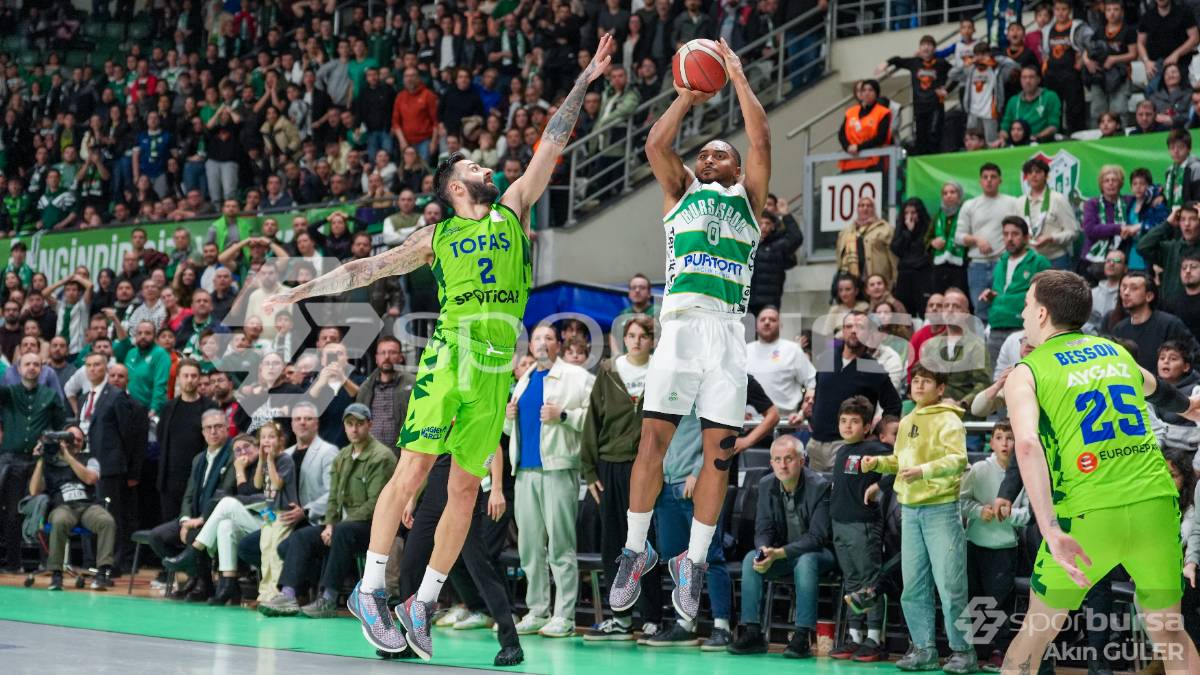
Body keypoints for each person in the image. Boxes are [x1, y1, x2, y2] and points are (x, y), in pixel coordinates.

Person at [263, 37, 619, 658]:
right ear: (455, 187)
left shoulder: (513, 208)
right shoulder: (437, 235)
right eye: (474, 168)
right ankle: (369, 590)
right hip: (451, 354)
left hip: (496, 366)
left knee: (465, 491)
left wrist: (585, 79)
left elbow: (552, 143)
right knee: (414, 470)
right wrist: (301, 293)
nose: (487, 169)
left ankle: (421, 602)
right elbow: (364, 269)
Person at [605, 38, 770, 632]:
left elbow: (761, 139)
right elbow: (655, 143)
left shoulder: (749, 201)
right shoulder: (681, 193)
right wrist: (685, 96)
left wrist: (738, 76)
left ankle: (693, 561)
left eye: (720, 154)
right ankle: (635, 550)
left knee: (718, 456)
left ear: (736, 169)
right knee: (652, 442)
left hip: (726, 332)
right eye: (703, 154)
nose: (709, 159)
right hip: (678, 327)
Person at [998, 269, 1200, 673]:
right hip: (1154, 504)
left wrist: (1049, 528)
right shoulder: (1114, 352)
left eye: (1026, 305)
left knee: (1037, 631)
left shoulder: (1028, 371)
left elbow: (1027, 444)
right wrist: (1191, 409)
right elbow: (1158, 391)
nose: (1022, 313)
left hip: (1088, 513)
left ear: (1042, 314)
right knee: (1169, 632)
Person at [861, 364, 974, 673]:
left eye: (927, 381)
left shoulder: (949, 419)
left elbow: (958, 459)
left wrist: (923, 471)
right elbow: (901, 462)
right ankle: (924, 649)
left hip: (941, 509)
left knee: (951, 586)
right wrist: (878, 463)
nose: (919, 385)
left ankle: (964, 651)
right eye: (916, 381)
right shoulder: (908, 420)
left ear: (941, 388)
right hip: (909, 510)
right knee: (912, 586)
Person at [503, 323, 593, 638]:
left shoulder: (577, 377)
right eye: (537, 338)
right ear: (530, 346)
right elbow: (512, 430)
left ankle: (564, 615)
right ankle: (537, 610)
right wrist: (508, 418)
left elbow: (595, 420)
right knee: (529, 547)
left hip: (558, 469)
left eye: (549, 338)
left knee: (560, 545)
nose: (542, 343)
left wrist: (563, 415)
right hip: (524, 471)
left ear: (558, 345)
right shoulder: (524, 379)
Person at [580, 316, 664, 641]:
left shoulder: (660, 371)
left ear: (652, 340)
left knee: (645, 542)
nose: (637, 341)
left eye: (643, 335)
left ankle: (652, 618)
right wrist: (589, 470)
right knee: (613, 542)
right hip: (609, 466)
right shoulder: (608, 370)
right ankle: (621, 618)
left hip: (645, 466)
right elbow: (592, 419)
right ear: (624, 339)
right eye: (631, 335)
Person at [727, 435, 833, 658]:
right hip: (781, 554)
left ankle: (802, 636)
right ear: (771, 463)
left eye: (789, 459)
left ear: (802, 460)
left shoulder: (820, 487)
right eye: (777, 459)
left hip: (820, 555)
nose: (783, 465)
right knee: (751, 559)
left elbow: (818, 537)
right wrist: (764, 551)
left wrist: (780, 553)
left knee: (806, 561)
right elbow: (763, 529)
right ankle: (753, 633)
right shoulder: (766, 484)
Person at [959, 420, 1029, 670]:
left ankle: (1000, 650)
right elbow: (961, 503)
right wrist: (979, 511)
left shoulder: (1024, 473)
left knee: (999, 602)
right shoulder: (979, 470)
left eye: (1010, 438)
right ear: (991, 442)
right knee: (975, 599)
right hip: (975, 544)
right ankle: (978, 650)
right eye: (999, 438)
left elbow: (1028, 515)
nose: (1005, 443)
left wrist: (1008, 515)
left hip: (1004, 548)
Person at [825, 396, 890, 662]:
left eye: (854, 421)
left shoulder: (875, 448)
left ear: (867, 426)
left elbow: (900, 466)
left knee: (869, 581)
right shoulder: (842, 450)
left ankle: (875, 638)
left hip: (863, 525)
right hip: (839, 524)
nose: (847, 426)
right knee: (851, 580)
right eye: (843, 421)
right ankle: (855, 636)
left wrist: (879, 486)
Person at [0, 352, 68, 573]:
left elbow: (59, 426)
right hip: (12, 459)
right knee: (12, 512)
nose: (31, 367)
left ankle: (46, 562)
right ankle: (14, 563)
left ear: (42, 369)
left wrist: (47, 442)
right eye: (27, 364)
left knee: (42, 510)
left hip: (40, 461)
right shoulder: (9, 393)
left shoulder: (50, 395)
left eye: (36, 364)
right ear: (19, 368)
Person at [27, 424, 116, 591]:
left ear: (83, 443)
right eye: (70, 438)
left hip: (87, 506)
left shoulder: (89, 459)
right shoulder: (50, 462)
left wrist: (68, 457)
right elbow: (33, 491)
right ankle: (56, 574)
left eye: (78, 440)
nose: (74, 442)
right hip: (63, 507)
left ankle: (102, 573)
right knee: (60, 521)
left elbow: (90, 479)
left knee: (107, 521)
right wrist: (41, 460)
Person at [978, 216, 1051, 363]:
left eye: (1015, 234)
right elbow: (1000, 292)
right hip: (996, 326)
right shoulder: (1001, 262)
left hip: (1022, 329)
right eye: (1005, 234)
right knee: (996, 374)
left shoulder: (1039, 262)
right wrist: (991, 295)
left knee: (1023, 371)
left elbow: (1049, 296)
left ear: (1026, 237)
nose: (1009, 238)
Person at [956, 163, 1021, 322]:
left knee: (1005, 307)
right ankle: (982, 339)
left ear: (1000, 180)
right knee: (980, 310)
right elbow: (958, 237)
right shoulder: (970, 205)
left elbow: (1022, 230)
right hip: (977, 265)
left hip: (1004, 263)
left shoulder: (1013, 202)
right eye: (985, 177)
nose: (989, 180)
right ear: (980, 181)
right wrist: (976, 239)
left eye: (993, 177)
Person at [1109, 272, 1200, 373]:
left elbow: (1195, 357)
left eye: (1134, 288)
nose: (1126, 293)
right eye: (1123, 287)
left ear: (1149, 296)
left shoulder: (1170, 324)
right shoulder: (1119, 329)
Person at [747, 307, 815, 419]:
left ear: (780, 325)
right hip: (750, 422)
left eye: (772, 320)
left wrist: (802, 413)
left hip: (785, 421)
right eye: (763, 319)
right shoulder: (745, 351)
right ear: (756, 326)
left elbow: (813, 381)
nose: (767, 322)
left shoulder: (793, 350)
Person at [1015, 158, 1077, 270]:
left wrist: (1051, 238)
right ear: (1026, 177)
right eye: (1030, 172)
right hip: (1029, 261)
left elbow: (1073, 232)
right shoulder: (1020, 202)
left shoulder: (1058, 199)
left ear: (1046, 175)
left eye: (1038, 171)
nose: (1034, 175)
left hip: (1056, 260)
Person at [835, 195, 897, 290]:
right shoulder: (845, 233)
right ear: (857, 209)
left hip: (877, 283)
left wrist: (895, 280)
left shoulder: (886, 229)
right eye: (862, 205)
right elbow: (840, 260)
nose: (865, 208)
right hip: (853, 284)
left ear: (874, 209)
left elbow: (894, 258)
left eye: (869, 206)